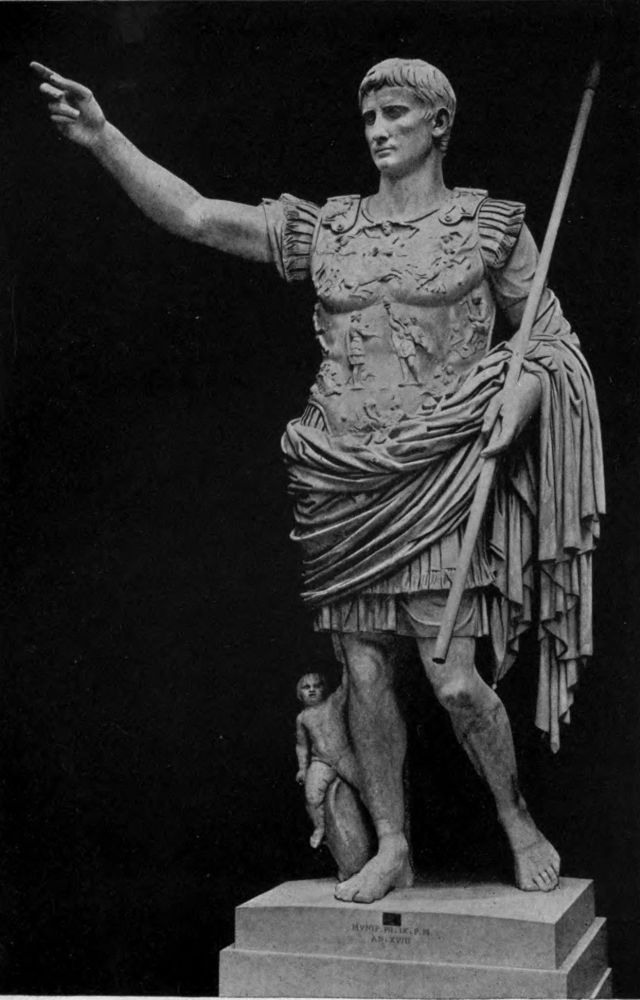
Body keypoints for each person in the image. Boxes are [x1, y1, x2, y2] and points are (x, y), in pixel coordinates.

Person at [31, 56, 604, 904]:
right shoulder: (327, 229)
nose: (378, 129)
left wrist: (518, 401)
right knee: (364, 671)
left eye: (397, 113)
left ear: (439, 123)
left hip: (438, 477)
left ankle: (515, 817)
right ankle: (394, 844)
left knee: (453, 677)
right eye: (369, 116)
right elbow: (196, 216)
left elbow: (550, 342)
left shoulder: (487, 228)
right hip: (341, 478)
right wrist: (104, 137)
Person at [295, 672, 359, 849]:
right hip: (321, 760)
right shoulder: (302, 717)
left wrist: (346, 665)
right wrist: (303, 768)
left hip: (344, 755)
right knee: (312, 796)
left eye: (317, 686)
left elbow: (347, 685)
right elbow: (301, 745)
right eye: (306, 687)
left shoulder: (334, 701)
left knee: (365, 788)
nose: (312, 690)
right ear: (299, 694)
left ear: (325, 688)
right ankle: (320, 827)